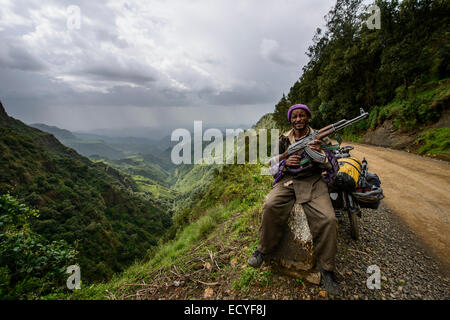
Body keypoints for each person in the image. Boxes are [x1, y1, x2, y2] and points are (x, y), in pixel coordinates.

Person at [247, 104, 340, 295]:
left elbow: (332, 164)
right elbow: (270, 165)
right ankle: (263, 251)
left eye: (302, 116)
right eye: (295, 116)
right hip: (288, 180)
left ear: (308, 117)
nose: (299, 119)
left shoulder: (321, 136)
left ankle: (327, 269)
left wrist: (320, 153)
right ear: (291, 120)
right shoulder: (283, 139)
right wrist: (284, 162)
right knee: (271, 205)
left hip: (314, 181)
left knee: (329, 219)